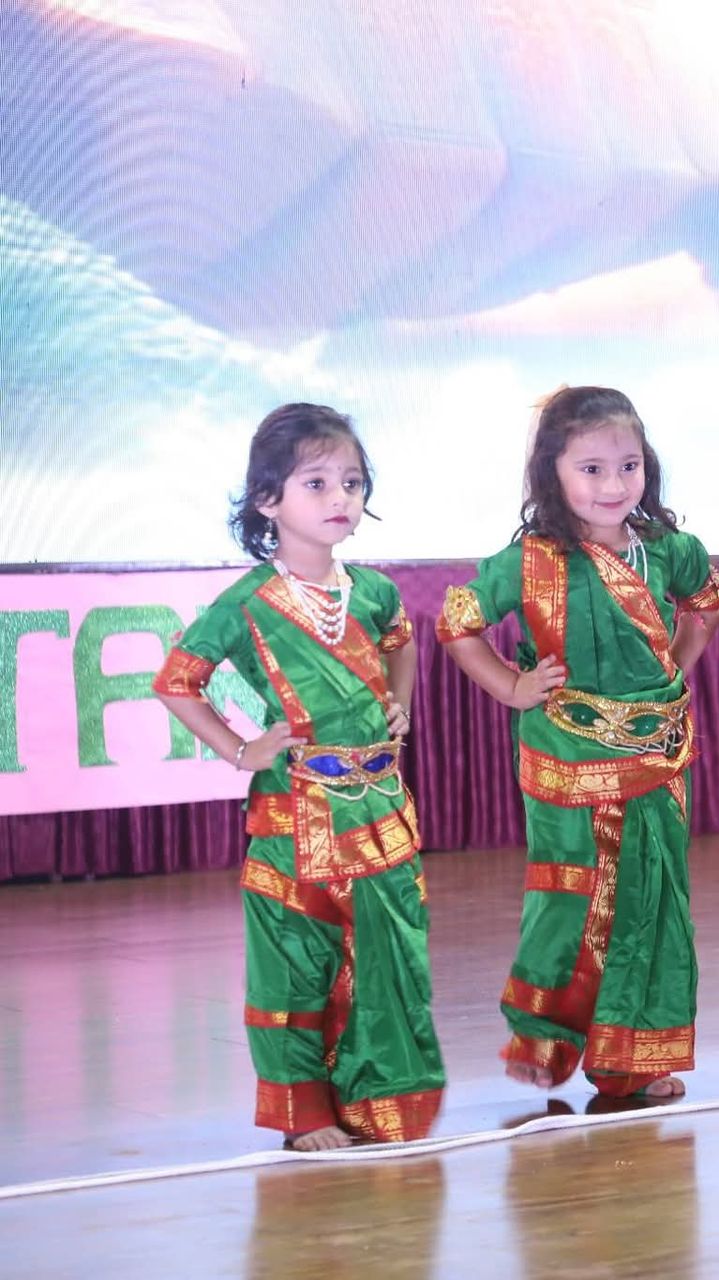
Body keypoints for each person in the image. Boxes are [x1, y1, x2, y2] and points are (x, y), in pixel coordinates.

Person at [154, 403, 442, 1150]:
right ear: (267, 501)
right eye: (316, 483)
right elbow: (177, 681)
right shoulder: (248, 603)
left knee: (389, 955)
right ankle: (304, 1112)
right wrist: (242, 749)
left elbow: (402, 644)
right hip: (292, 816)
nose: (340, 498)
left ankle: (379, 1099)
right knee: (295, 961)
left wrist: (399, 707)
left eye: (352, 482)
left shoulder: (373, 590)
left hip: (380, 804)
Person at [438, 386, 719, 1101]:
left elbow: (708, 603)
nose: (613, 484)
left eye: (628, 466)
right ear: (552, 473)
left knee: (651, 900)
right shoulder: (532, 561)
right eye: (591, 468)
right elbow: (457, 622)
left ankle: (632, 1058)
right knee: (571, 895)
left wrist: (673, 671)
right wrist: (510, 686)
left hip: (655, 759)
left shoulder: (669, 550)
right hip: (566, 758)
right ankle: (544, 1037)